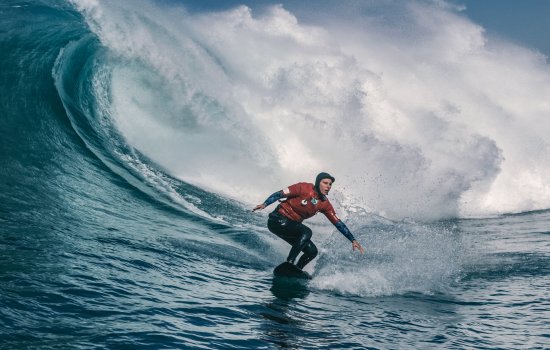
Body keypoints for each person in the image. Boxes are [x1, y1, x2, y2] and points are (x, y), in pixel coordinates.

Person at [253, 172, 364, 270]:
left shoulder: (324, 204)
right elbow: (280, 193)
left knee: (312, 252)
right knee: (306, 232)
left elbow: (338, 223)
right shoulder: (303, 187)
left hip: (290, 226)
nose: (328, 186)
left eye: (330, 184)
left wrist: (352, 240)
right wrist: (265, 204)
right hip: (277, 220)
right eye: (325, 183)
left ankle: (296, 270)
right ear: (318, 182)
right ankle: (289, 262)